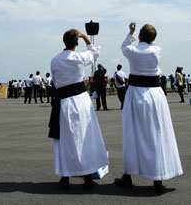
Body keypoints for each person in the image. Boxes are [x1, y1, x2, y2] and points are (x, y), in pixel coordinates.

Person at [115, 23, 183, 195]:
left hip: (136, 94)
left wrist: (130, 34)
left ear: (140, 36)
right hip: (155, 95)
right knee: (156, 133)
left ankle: (128, 175)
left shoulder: (132, 51)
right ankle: (157, 178)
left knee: (132, 133)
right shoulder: (157, 50)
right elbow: (151, 43)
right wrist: (141, 36)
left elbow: (124, 46)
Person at [49, 28, 108, 190]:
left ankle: (65, 176)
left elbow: (54, 80)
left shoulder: (55, 60)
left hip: (63, 102)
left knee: (65, 139)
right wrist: (85, 37)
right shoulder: (79, 57)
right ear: (76, 43)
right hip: (80, 101)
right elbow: (94, 51)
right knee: (85, 137)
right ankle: (88, 176)